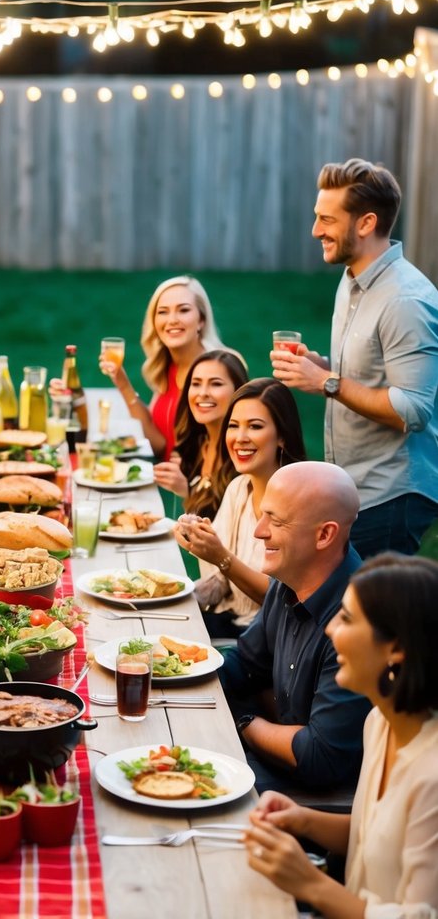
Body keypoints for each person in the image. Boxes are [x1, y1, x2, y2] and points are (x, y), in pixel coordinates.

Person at [245, 553, 438, 919]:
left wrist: (311, 885)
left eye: (346, 618)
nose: (330, 629)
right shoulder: (380, 723)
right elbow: (373, 834)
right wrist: (301, 819)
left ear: (396, 649)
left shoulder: (431, 777)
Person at [272, 158, 438, 559]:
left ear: (365, 223)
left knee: (372, 617)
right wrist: (325, 367)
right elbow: (374, 371)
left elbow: (413, 409)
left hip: (391, 495)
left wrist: (327, 383)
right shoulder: (351, 281)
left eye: (327, 220)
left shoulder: (405, 300)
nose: (316, 231)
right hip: (354, 486)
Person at [222, 460, 371, 795]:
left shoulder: (357, 619)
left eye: (275, 520)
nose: (258, 531)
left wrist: (243, 721)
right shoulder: (291, 577)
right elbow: (244, 665)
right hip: (273, 763)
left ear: (325, 535)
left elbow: (319, 757)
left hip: (315, 800)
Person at [175, 378, 307, 637]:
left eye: (255, 427)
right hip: (230, 623)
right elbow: (220, 583)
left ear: (281, 436)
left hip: (270, 641)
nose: (240, 438)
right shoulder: (239, 488)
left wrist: (222, 558)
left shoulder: (299, 503)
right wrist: (172, 594)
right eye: (233, 426)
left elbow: (283, 601)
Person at [99, 275, 228, 459]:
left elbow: (231, 441)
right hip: (166, 481)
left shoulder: (222, 365)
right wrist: (123, 384)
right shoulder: (168, 367)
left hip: (203, 485)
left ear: (201, 320)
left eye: (183, 310)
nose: (172, 319)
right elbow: (159, 444)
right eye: (163, 312)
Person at [153, 349, 249, 520]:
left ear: (238, 391)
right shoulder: (197, 444)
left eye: (216, 384)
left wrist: (187, 492)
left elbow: (228, 528)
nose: (202, 393)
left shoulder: (244, 451)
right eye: (196, 384)